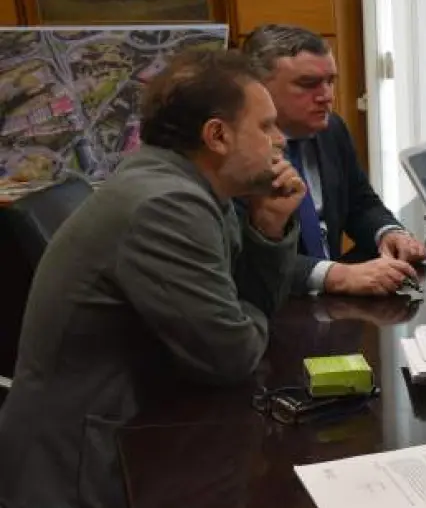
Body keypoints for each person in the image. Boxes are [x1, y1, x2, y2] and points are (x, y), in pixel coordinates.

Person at [0, 49, 305, 508]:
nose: (279, 140)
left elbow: (236, 317)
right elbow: (231, 354)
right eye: (265, 126)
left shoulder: (191, 188)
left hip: (135, 429)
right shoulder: (166, 204)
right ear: (217, 136)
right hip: (79, 466)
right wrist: (243, 319)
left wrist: (268, 226)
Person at [240, 24, 426, 297]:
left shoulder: (331, 129)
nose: (326, 96)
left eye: (330, 81)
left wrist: (388, 233)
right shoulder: (236, 152)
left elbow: (360, 203)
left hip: (334, 303)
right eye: (308, 84)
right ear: (258, 88)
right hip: (277, 304)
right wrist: (336, 276)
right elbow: (241, 258)